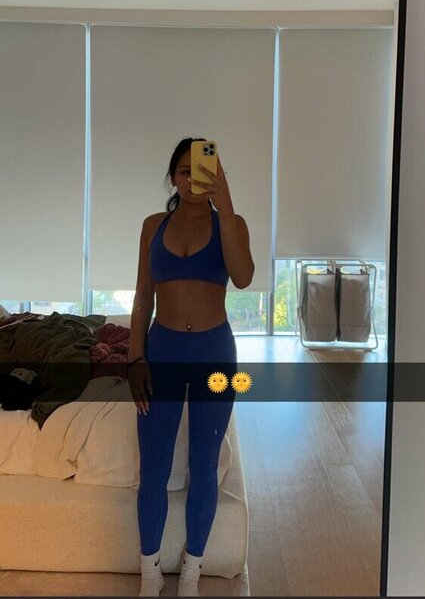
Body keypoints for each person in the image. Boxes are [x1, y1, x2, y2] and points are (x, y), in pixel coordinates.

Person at [128, 137, 255, 597]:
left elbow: (243, 277)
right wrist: (135, 357)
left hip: (214, 354)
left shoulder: (231, 224)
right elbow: (143, 296)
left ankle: (191, 573)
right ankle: (149, 572)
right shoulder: (153, 225)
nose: (193, 179)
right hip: (162, 352)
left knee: (204, 466)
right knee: (154, 467)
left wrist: (227, 203)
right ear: (173, 177)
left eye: (203, 172)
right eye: (185, 171)